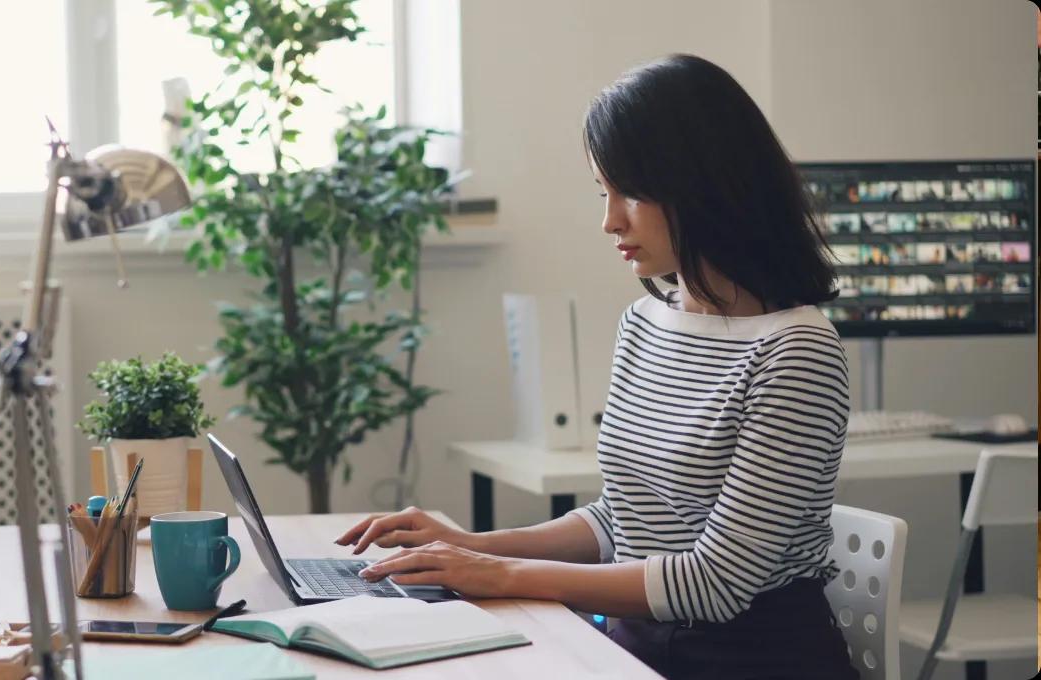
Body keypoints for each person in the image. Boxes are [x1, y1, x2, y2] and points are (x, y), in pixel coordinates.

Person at [336, 53, 856, 680]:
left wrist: (496, 575)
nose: (609, 220)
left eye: (630, 193)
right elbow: (622, 519)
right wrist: (466, 546)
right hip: (633, 647)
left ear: (706, 184)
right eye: (603, 192)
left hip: (746, 660)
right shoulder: (645, 323)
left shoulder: (796, 349)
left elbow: (716, 584)